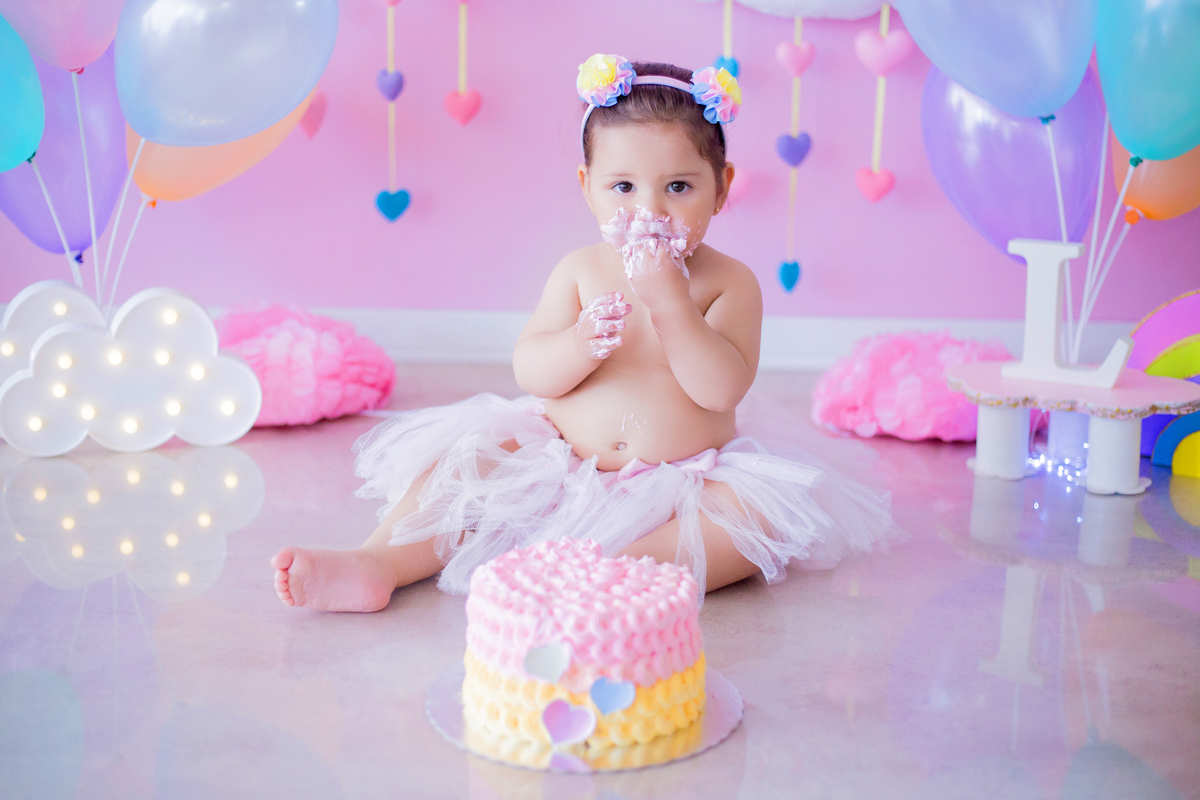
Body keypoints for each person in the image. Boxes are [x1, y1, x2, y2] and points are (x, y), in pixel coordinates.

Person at [272, 56, 893, 612]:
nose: (650, 210)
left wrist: (672, 305)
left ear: (722, 188)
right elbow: (531, 369)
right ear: (587, 188)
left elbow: (721, 389)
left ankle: (610, 572)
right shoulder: (579, 271)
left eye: (679, 187)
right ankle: (379, 562)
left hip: (686, 478)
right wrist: (576, 346)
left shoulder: (728, 283)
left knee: (759, 522)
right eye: (623, 187)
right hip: (559, 463)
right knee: (464, 465)